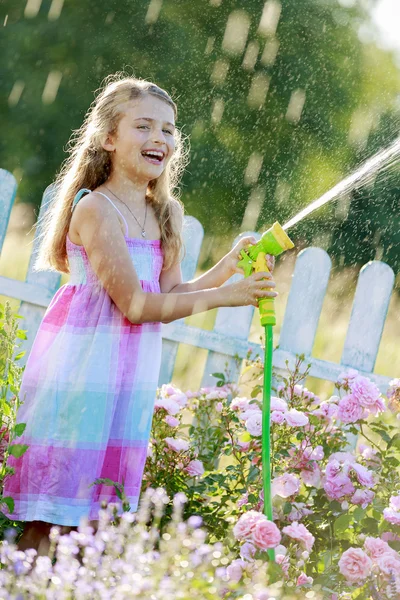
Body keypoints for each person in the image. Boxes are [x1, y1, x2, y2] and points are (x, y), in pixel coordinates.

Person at [2, 74, 277, 556]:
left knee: (94, 524)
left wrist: (226, 267)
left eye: (169, 130)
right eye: (144, 127)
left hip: (125, 385)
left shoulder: (164, 213)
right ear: (108, 138)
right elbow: (135, 306)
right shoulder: (96, 209)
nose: (160, 139)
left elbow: (170, 294)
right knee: (54, 518)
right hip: (81, 377)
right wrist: (229, 296)